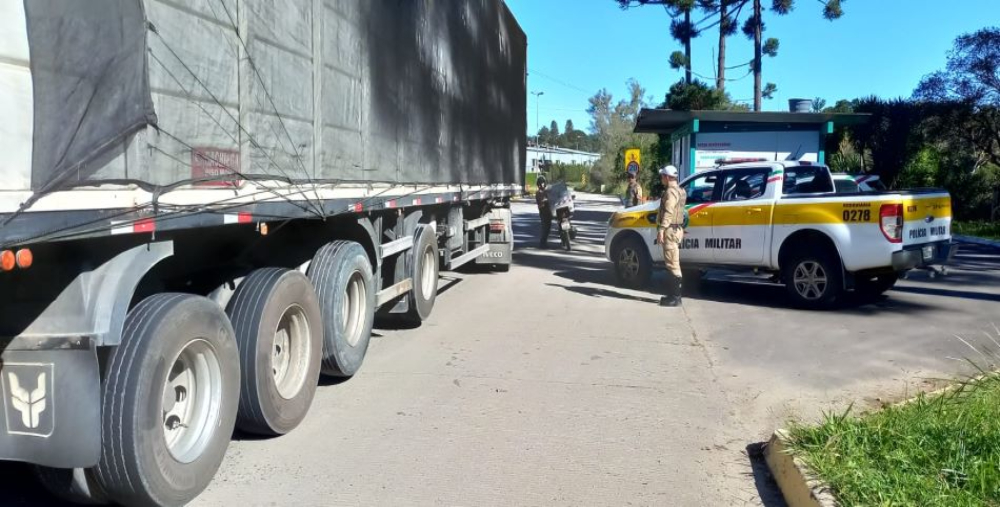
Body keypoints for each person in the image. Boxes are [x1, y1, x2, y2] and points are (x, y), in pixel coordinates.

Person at [655, 165, 687, 307]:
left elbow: (668, 212)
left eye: (662, 176)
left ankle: (675, 297)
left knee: (672, 264)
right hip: (676, 229)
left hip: (670, 230)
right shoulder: (680, 190)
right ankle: (673, 295)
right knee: (673, 262)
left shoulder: (670, 192)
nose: (661, 178)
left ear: (667, 177)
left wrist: (662, 229)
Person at [535, 176, 552, 248]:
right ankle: (542, 243)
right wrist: (545, 200)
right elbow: (541, 202)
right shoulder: (538, 192)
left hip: (549, 211)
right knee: (545, 228)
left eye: (544, 183)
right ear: (539, 184)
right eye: (542, 183)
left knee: (548, 227)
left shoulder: (546, 190)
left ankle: (544, 242)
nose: (543, 184)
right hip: (543, 212)